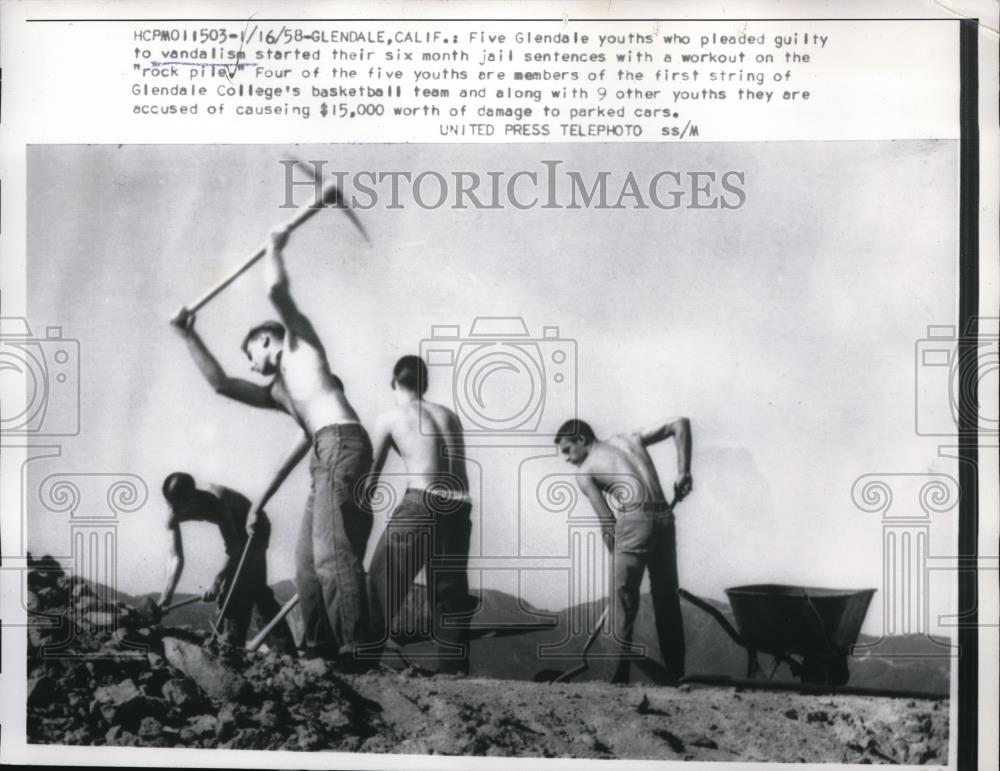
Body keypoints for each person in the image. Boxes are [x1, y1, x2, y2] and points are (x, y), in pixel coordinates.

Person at [170, 226, 373, 664]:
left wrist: (273, 248)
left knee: (331, 553)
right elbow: (221, 384)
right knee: (306, 563)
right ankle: (320, 646)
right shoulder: (278, 392)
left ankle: (358, 647)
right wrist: (188, 335)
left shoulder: (301, 348)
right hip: (324, 453)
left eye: (250, 353)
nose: (250, 363)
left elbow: (278, 292)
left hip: (343, 442)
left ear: (266, 340)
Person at [554, 416, 693, 684]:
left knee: (622, 602)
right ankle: (678, 677)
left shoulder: (585, 472)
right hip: (664, 517)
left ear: (581, 440)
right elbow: (680, 423)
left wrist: (618, 558)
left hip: (634, 521)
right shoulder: (629, 437)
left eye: (568, 450)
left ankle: (616, 682)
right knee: (667, 602)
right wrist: (684, 471)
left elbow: (607, 522)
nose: (568, 459)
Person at [362, 355, 474, 675]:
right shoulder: (449, 415)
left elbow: (370, 480)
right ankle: (454, 673)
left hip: (421, 503)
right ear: (424, 384)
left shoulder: (391, 417)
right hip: (459, 505)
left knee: (383, 583)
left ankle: (360, 664)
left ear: (393, 383)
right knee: (450, 597)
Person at [156, 471, 296, 652]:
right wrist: (165, 598)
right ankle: (233, 646)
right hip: (235, 534)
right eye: (172, 505)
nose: (176, 511)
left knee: (248, 588)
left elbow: (234, 549)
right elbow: (176, 556)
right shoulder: (173, 510)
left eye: (181, 506)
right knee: (240, 589)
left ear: (192, 497)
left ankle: (281, 652)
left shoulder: (216, 500)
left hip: (255, 525)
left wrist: (216, 581)